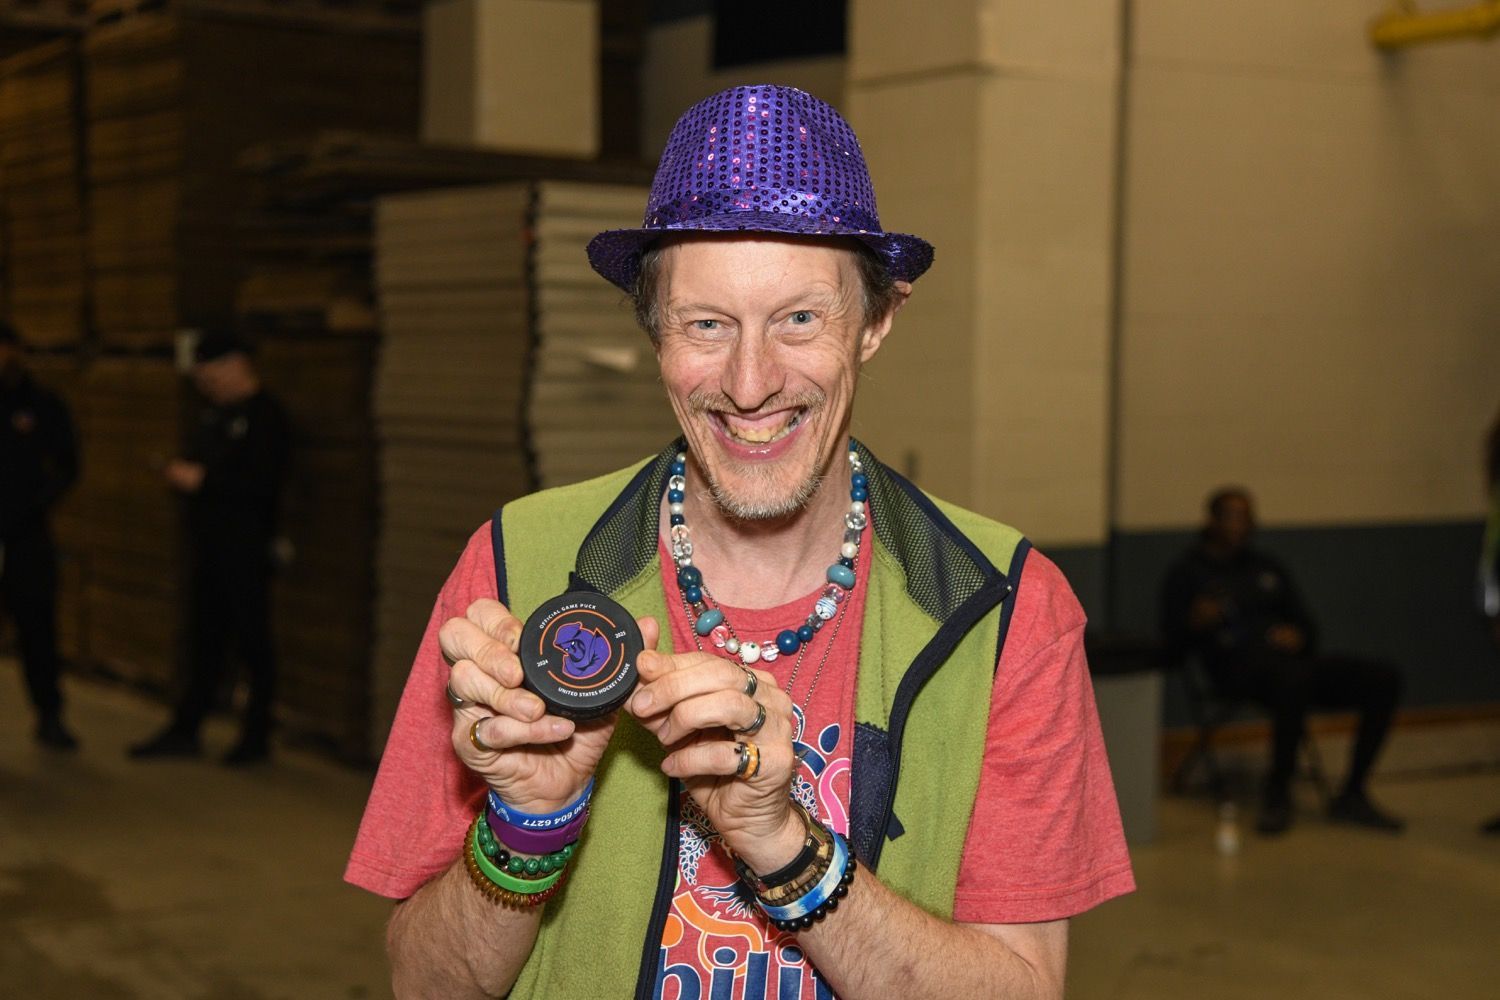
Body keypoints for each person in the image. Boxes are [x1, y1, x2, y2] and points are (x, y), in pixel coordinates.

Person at [346, 85, 1134, 999]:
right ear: (654, 335)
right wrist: (529, 820)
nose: (751, 383)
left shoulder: (1004, 607)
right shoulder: (518, 569)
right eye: (706, 324)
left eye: (801, 318)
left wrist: (786, 848)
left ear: (877, 322)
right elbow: (424, 986)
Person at [1161, 487, 1405, 836]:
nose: (1241, 525)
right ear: (1211, 521)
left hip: (1293, 664)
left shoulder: (1266, 567)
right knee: (1292, 680)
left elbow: (1308, 626)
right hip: (1236, 671)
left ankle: (1353, 792)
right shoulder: (1187, 573)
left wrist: (1297, 635)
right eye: (1232, 516)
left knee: (1382, 677)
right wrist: (1195, 622)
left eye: (1247, 517)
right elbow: (1171, 646)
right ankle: (1278, 792)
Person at [129, 330, 289, 765]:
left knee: (253, 644)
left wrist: (205, 482)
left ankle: (256, 737)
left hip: (247, 551)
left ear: (237, 365)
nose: (208, 386)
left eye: (213, 376)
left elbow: (263, 485)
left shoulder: (266, 419)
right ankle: (187, 727)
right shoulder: (214, 416)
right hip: (211, 548)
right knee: (204, 639)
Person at [0, 321, 80, 750]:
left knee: (37, 628)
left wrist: (34, 505)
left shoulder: (43, 405)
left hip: (25, 536)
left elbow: (67, 466)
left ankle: (50, 713)